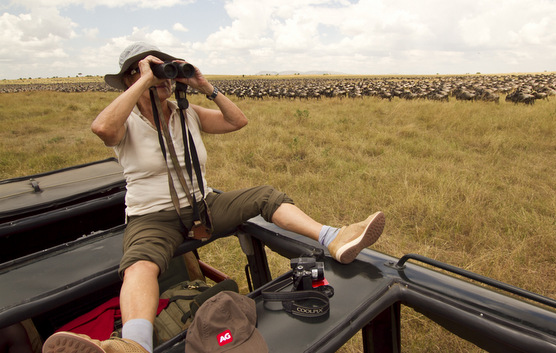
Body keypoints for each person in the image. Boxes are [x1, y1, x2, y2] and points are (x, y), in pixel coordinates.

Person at [42, 42, 385, 353]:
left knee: (264, 195)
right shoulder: (125, 122)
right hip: (152, 216)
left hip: (203, 206)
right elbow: (102, 129)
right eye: (146, 68)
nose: (158, 75)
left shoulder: (185, 112)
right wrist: (143, 82)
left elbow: (238, 121)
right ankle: (134, 345)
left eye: (163, 68)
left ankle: (334, 239)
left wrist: (205, 86)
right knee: (140, 266)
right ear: (130, 78)